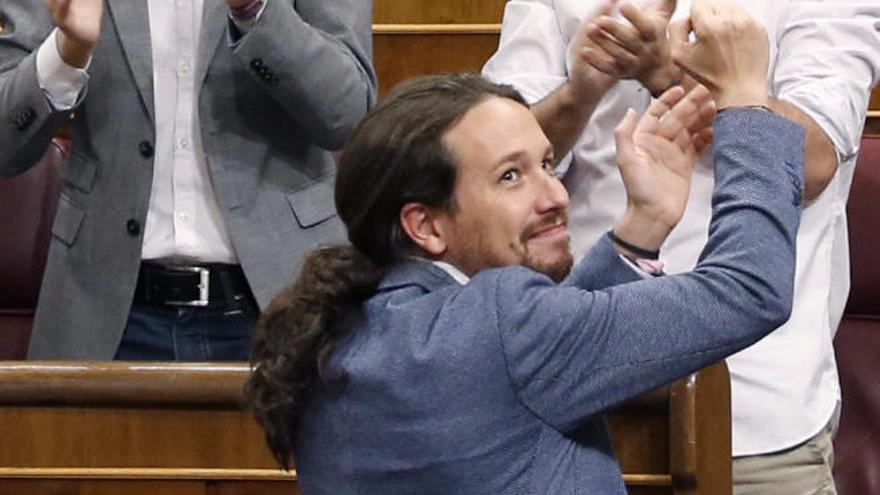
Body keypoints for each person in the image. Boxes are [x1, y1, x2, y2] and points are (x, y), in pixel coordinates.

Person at [245, 2, 806, 492]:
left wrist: (644, 224)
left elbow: (531, 362)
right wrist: (743, 102)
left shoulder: (339, 334)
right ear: (425, 226)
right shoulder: (505, 325)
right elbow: (747, 289)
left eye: (545, 163)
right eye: (511, 177)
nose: (556, 194)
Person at [483, 0, 880, 492]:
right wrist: (579, 95)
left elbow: (814, 160)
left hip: (751, 408)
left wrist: (668, 73)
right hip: (565, 395)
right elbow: (489, 165)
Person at [0, 0, 376, 360]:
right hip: (103, 305)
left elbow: (346, 115)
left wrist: (256, 10)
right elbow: (6, 144)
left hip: (283, 297)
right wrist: (67, 54)